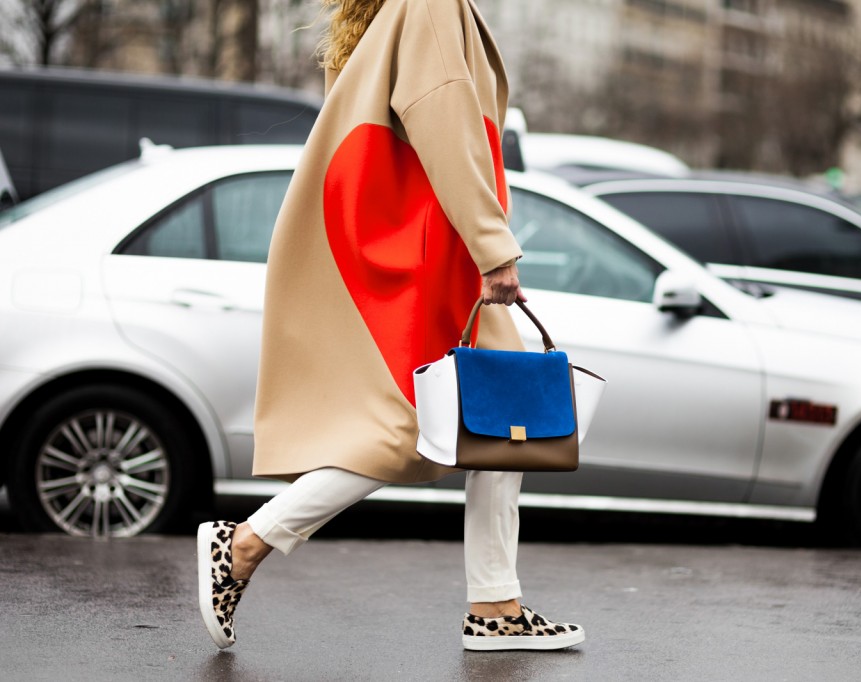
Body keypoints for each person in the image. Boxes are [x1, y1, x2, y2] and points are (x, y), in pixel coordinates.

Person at [196, 0, 585, 652]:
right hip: (430, 257)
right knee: (405, 432)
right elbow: (446, 127)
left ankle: (496, 605)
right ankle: (244, 543)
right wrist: (494, 248)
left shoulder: (403, 10)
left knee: (501, 417)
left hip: (424, 251)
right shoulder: (431, 5)